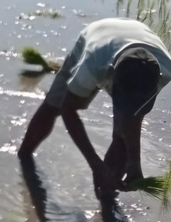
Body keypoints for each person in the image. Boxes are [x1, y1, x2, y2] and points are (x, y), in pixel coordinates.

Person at [18, 18, 171, 199]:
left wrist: (134, 162)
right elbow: (68, 109)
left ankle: (106, 195)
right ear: (112, 77)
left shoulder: (163, 71)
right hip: (97, 36)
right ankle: (24, 157)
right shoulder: (92, 65)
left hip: (135, 36)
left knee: (122, 136)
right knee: (53, 105)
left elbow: (132, 121)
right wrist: (95, 163)